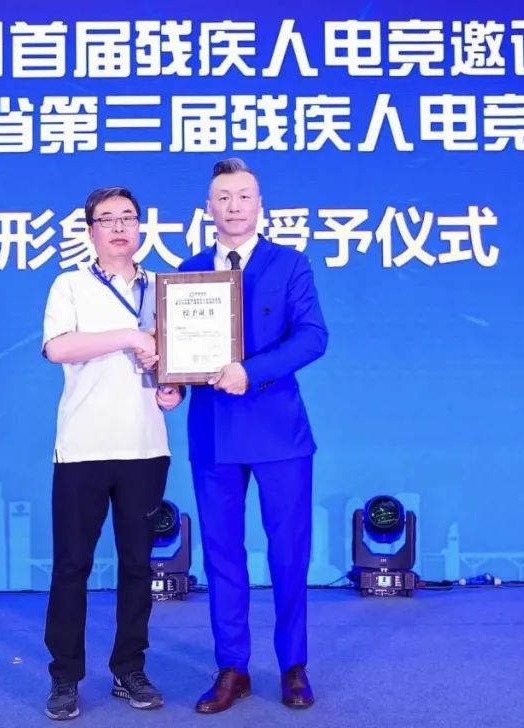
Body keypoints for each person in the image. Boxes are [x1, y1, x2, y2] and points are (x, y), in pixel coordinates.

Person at [178, 159, 328, 713]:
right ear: (209, 208)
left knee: (289, 552)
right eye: (224, 197)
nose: (234, 206)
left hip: (278, 433)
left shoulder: (290, 264)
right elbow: (178, 348)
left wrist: (252, 371)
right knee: (221, 554)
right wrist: (170, 382)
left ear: (260, 205)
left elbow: (312, 337)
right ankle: (232, 667)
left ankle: (294, 666)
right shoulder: (189, 271)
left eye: (244, 196)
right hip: (213, 434)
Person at [40, 186, 183, 721]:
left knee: (138, 566)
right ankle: (65, 676)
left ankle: (129, 668)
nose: (120, 227)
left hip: (146, 446)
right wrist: (128, 335)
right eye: (108, 219)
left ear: (141, 226)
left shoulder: (164, 287)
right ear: (91, 230)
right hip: (83, 447)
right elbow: (58, 347)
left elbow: (175, 360)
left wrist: (173, 388)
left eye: (129, 217)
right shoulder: (70, 284)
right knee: (71, 565)